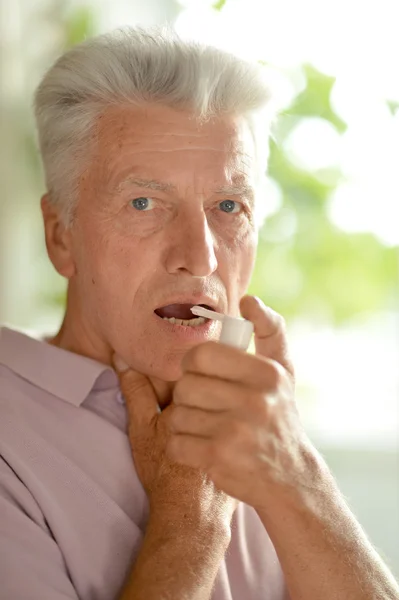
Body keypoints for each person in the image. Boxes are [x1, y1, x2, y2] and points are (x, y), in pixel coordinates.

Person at [0, 26, 398, 600]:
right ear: (60, 236)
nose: (200, 255)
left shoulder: (260, 429)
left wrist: (298, 476)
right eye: (144, 202)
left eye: (228, 205)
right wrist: (191, 518)